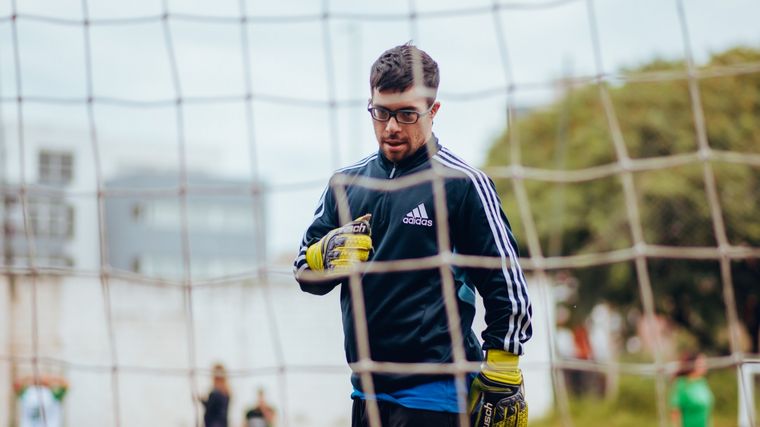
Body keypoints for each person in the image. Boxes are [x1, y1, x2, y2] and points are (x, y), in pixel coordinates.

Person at [293, 42, 532, 426]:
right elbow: (304, 269)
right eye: (381, 112)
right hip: (367, 393)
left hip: (437, 395)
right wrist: (323, 256)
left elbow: (507, 283)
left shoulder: (463, 184)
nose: (390, 127)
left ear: (433, 111)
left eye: (406, 114)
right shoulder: (346, 184)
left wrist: (503, 364)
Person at [670, 353, 714, 427]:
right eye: (701, 363)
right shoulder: (682, 384)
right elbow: (675, 412)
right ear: (692, 364)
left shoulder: (702, 382)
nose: (705, 366)